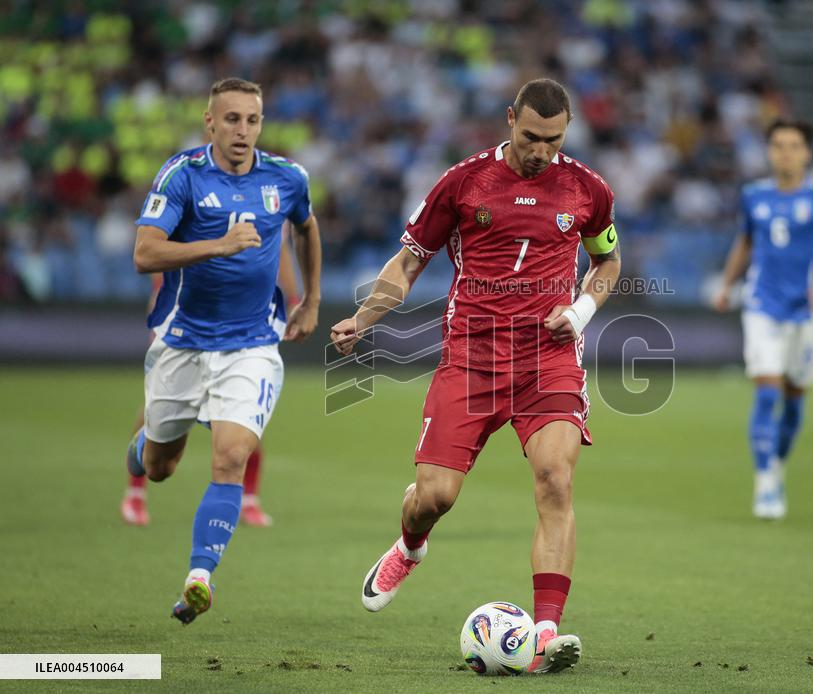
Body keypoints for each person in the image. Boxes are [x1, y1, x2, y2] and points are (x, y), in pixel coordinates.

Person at [331, 78, 621, 674]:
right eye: (531, 136)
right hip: (471, 358)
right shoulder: (464, 182)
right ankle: (410, 546)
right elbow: (411, 259)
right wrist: (364, 316)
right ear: (509, 118)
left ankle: (544, 633)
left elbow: (606, 259)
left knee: (555, 480)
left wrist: (582, 310)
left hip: (548, 357)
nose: (541, 150)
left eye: (554, 139)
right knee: (434, 497)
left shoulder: (588, 189)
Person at [126, 77, 322, 624]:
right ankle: (142, 446)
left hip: (253, 344)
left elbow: (306, 227)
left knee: (232, 455)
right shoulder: (182, 175)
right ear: (209, 122)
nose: (242, 130)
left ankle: (199, 576)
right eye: (231, 119)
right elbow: (144, 254)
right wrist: (220, 244)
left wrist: (310, 301)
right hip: (183, 344)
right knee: (160, 466)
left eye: (252, 120)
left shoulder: (286, 178)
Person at [713, 119, 813, 519]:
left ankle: (776, 465)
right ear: (769, 151)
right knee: (766, 391)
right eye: (778, 145)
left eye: (793, 145)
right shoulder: (754, 196)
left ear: (807, 152)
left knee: (794, 402)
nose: (785, 153)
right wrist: (726, 284)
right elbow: (744, 242)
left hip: (806, 311)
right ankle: (764, 484)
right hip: (761, 305)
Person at [120, 228, 301, 528]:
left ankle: (249, 497)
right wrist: (161, 292)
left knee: (246, 406)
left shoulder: (270, 189)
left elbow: (281, 247)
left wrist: (294, 300)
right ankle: (135, 491)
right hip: (184, 314)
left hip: (242, 317)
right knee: (159, 407)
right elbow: (154, 246)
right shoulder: (187, 184)